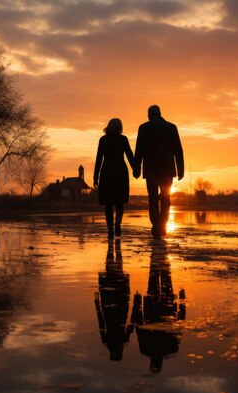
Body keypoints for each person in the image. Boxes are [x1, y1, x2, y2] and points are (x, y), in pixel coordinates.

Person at [130, 240, 186, 373]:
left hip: (162, 307)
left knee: (161, 273)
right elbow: (139, 324)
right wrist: (137, 303)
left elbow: (180, 324)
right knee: (157, 272)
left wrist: (182, 304)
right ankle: (160, 248)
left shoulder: (170, 349)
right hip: (155, 306)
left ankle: (159, 249)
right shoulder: (148, 349)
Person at [133, 105, 184, 238]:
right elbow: (178, 150)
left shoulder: (143, 128)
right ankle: (161, 225)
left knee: (153, 199)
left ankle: (156, 226)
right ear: (160, 113)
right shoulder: (171, 127)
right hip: (167, 170)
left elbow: (139, 151)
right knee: (166, 199)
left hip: (151, 170)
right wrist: (181, 170)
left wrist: (136, 169)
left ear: (149, 115)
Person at [93, 118, 136, 238]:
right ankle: (117, 223)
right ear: (120, 127)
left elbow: (99, 159)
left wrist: (95, 176)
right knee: (119, 202)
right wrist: (136, 169)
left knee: (108, 204)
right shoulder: (123, 139)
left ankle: (110, 230)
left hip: (107, 172)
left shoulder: (103, 140)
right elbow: (129, 155)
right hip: (120, 172)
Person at [94, 240, 133, 361]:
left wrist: (97, 304)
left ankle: (114, 246)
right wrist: (97, 304)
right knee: (113, 269)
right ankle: (113, 246)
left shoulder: (121, 340)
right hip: (112, 303)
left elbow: (130, 326)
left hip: (117, 303)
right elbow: (101, 322)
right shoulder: (109, 340)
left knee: (115, 270)